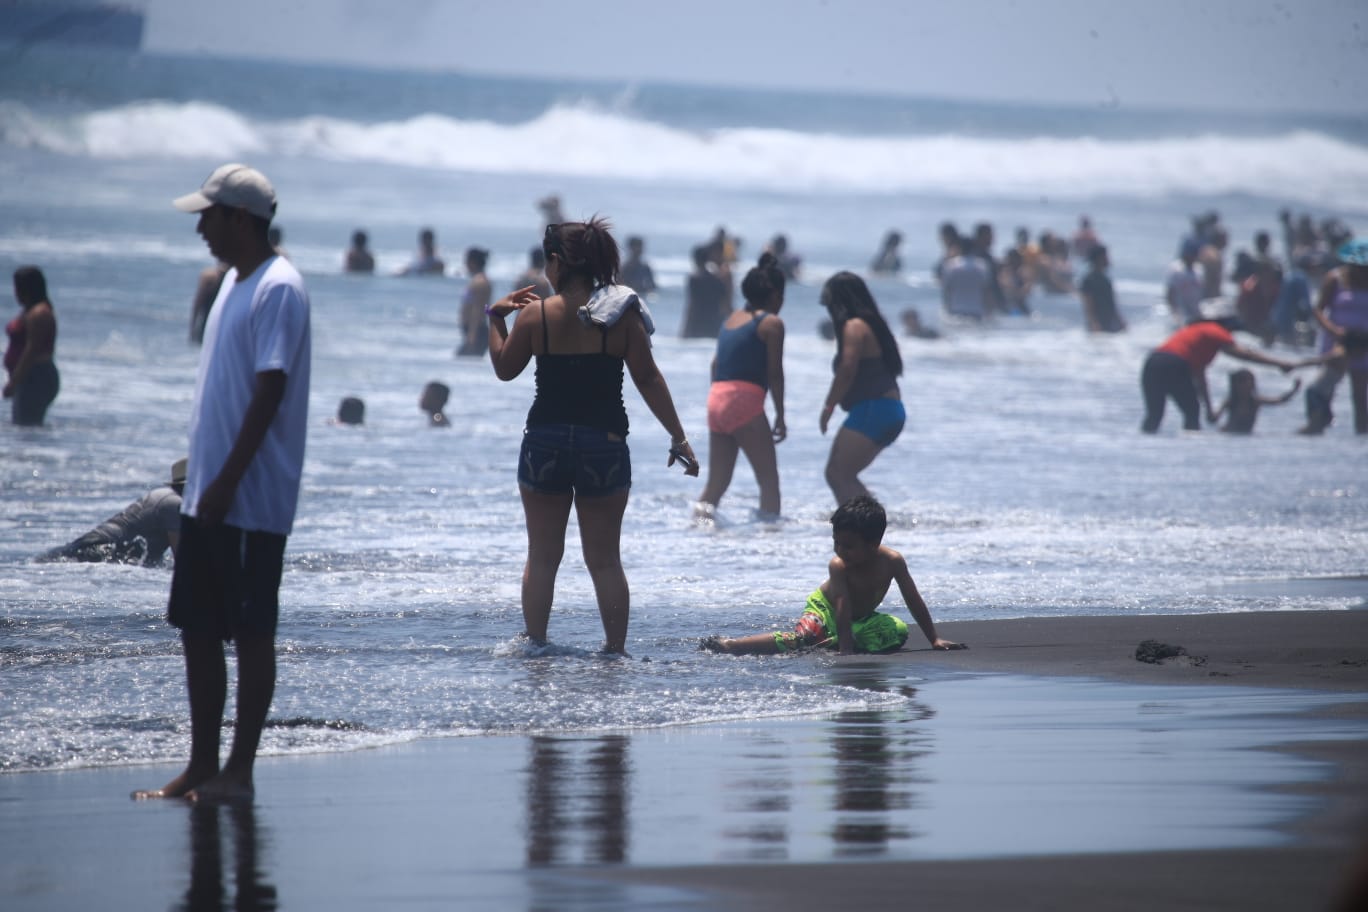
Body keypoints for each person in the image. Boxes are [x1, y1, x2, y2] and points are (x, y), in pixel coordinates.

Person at [135, 162, 312, 802]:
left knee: (250, 631)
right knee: (198, 629)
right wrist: (200, 478)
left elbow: (270, 391)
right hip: (211, 492)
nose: (201, 229)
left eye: (208, 216)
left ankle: (240, 771)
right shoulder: (233, 285)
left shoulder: (279, 287)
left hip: (250, 501)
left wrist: (229, 480)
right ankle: (202, 766)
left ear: (241, 218)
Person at [486, 217, 698, 654]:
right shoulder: (621, 318)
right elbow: (648, 378)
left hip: (544, 440)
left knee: (543, 556)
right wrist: (679, 437)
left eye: (548, 262)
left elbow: (505, 369)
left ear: (558, 262)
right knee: (604, 560)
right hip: (604, 444)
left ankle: (537, 648)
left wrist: (494, 317)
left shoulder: (535, 315)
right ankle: (615, 652)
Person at [701, 495, 963, 656]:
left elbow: (913, 599)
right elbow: (841, 604)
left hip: (860, 618)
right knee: (803, 638)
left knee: (897, 630)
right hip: (825, 608)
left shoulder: (892, 562)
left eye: (848, 546)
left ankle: (834, 639)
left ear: (873, 543)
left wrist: (934, 638)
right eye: (836, 542)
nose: (840, 551)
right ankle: (733, 645)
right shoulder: (838, 565)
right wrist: (846, 650)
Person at [695, 253, 787, 522]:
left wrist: (725, 401)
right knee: (769, 481)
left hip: (717, 399)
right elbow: (775, 373)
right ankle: (770, 543)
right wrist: (780, 414)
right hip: (743, 400)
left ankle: (695, 533)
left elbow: (715, 365)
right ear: (775, 296)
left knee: (716, 483)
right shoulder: (771, 323)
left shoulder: (731, 320)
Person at [819, 272, 905, 505]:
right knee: (841, 474)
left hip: (874, 408)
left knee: (838, 474)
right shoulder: (873, 324)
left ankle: (865, 530)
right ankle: (870, 525)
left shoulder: (854, 326)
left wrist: (828, 407)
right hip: (887, 409)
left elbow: (847, 369)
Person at [1139, 317, 1301, 433]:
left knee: (1153, 416)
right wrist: (1278, 363)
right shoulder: (1216, 330)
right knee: (1191, 415)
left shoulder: (1194, 333)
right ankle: (1189, 460)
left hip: (1152, 362)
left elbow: (1200, 377)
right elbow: (1244, 355)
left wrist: (1209, 409)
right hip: (1175, 364)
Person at [38, 458, 187, 565]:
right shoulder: (174, 503)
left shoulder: (169, 497)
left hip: (97, 551)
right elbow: (183, 561)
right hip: (98, 551)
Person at [1305, 240, 1368, 434]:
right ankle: (1318, 435)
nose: (1361, 270)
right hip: (1336, 343)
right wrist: (1333, 330)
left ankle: (1361, 437)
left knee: (1359, 397)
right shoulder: (1335, 278)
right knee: (1324, 393)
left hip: (1363, 345)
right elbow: (1318, 309)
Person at [5, 266, 59, 426]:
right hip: (31, 376)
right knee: (23, 425)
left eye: (17, 287)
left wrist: (14, 381)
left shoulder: (39, 313)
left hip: (35, 376)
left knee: (27, 426)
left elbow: (32, 350)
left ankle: (34, 452)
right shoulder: (30, 311)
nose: (15, 293)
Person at [1213, 370, 1300, 434]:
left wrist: (1294, 390)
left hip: (1246, 434)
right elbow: (1214, 418)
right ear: (1235, 385)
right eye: (1242, 382)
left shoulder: (1255, 401)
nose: (1247, 385)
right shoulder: (1231, 402)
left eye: (1250, 381)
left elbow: (1280, 400)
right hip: (1229, 433)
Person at [681, 244, 729, 338]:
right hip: (714, 321)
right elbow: (723, 303)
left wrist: (685, 330)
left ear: (695, 260)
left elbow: (692, 305)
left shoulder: (694, 279)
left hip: (698, 320)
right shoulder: (718, 279)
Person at [939, 236, 991, 320]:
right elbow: (986, 290)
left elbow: (946, 289)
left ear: (959, 248)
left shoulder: (950, 266)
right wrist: (988, 309)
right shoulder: (981, 266)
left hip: (956, 309)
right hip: (976, 310)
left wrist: (946, 307)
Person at [1079, 245, 1126, 333]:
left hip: (1110, 323)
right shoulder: (1089, 280)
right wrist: (1093, 322)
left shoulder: (1105, 279)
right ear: (1098, 259)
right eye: (1105, 256)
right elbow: (1088, 304)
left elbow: (1112, 304)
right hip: (1098, 324)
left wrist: (1121, 320)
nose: (1108, 259)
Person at [456, 247, 492, 357]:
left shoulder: (480, 282)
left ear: (473, 262)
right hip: (474, 331)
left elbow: (478, 309)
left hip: (477, 332)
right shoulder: (477, 280)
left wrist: (472, 336)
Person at [1165, 238, 1204, 325]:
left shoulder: (1199, 270)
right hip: (1180, 315)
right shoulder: (1176, 269)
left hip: (1196, 314)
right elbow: (1170, 294)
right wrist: (1175, 313)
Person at [190, 261, 228, 344]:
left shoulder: (209, 276)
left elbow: (197, 304)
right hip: (212, 324)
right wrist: (192, 327)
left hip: (215, 325)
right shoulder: (210, 277)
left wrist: (192, 327)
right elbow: (198, 303)